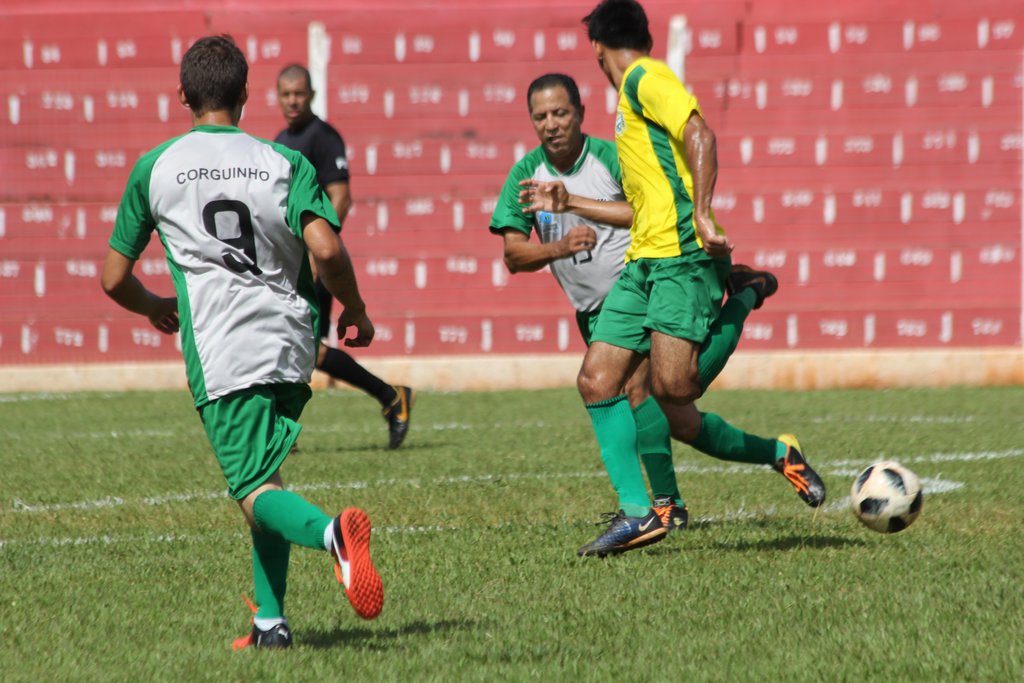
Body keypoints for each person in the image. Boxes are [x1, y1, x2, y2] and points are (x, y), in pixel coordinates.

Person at [100, 36, 384, 649]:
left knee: (252, 489)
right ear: (247, 94)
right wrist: (356, 308)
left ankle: (331, 535)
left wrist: (155, 308)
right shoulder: (284, 161)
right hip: (290, 339)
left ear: (182, 94)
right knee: (266, 474)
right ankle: (269, 624)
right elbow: (328, 249)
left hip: (223, 345)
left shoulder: (156, 166)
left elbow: (113, 278)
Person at [572, 0, 826, 557]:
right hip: (645, 262)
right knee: (599, 380)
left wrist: (704, 214)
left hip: (681, 258)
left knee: (675, 390)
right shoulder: (629, 96)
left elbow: (701, 135)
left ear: (596, 47)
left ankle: (746, 294)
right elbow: (650, 195)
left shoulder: (645, 77)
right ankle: (642, 514)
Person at [489, 73, 689, 536]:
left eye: (560, 113)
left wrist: (577, 206)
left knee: (632, 390)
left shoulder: (612, 158)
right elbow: (514, 255)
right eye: (540, 116)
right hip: (590, 311)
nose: (551, 124)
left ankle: (655, 506)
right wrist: (560, 246)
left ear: (580, 113)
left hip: (634, 291)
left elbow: (649, 211)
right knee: (664, 406)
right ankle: (680, 496)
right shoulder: (525, 175)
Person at [275, 63, 413, 450]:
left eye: (299, 93)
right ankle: (389, 397)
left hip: (315, 262)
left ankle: (389, 397)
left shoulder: (323, 136)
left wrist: (321, 250)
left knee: (304, 347)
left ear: (312, 95)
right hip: (293, 262)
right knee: (299, 346)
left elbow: (341, 197)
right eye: (286, 94)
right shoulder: (280, 139)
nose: (293, 101)